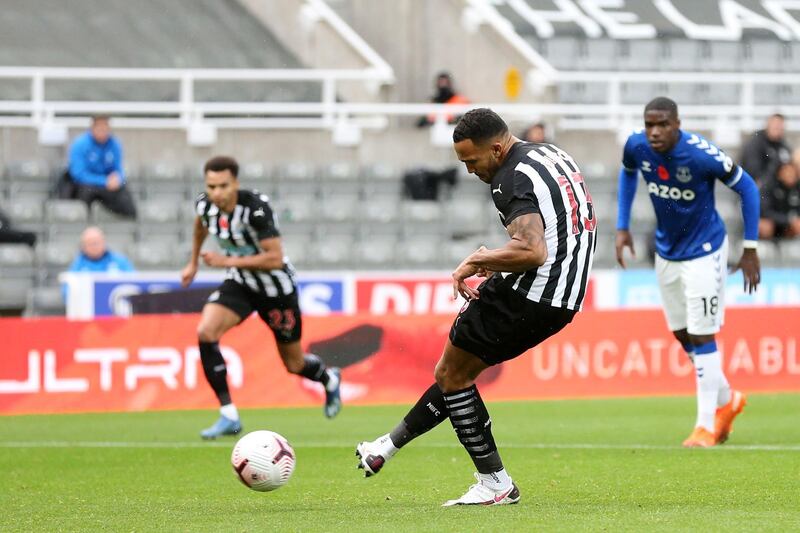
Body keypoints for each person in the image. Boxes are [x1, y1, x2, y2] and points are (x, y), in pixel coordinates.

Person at [355, 108, 596, 506]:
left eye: (472, 160)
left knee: (453, 375)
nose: (469, 170)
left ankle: (494, 482)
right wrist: (500, 262)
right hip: (564, 296)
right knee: (456, 373)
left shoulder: (509, 178)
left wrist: (478, 259)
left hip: (530, 294)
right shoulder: (551, 154)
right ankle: (386, 446)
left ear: (497, 148)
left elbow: (533, 251)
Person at [616, 97, 761, 448]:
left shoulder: (700, 154)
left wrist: (751, 247)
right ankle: (729, 399)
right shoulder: (636, 145)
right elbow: (627, 174)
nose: (654, 131)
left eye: (662, 124)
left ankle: (704, 426)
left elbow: (748, 188)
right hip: (666, 251)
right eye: (649, 124)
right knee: (682, 333)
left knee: (701, 334)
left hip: (706, 251)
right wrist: (622, 226)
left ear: (677, 124)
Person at [181, 156, 342, 439]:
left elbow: (274, 258)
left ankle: (328, 378)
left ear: (236, 183)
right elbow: (200, 226)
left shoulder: (255, 209)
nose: (216, 193)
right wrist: (193, 262)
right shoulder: (205, 204)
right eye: (211, 186)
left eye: (223, 186)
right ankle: (228, 414)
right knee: (206, 331)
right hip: (241, 284)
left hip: (276, 290)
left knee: (294, 365)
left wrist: (225, 260)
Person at [67, 115, 137, 218]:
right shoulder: (80, 144)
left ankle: (126, 227)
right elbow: (78, 174)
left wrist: (118, 178)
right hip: (87, 185)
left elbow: (118, 169)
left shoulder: (114, 144)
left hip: (108, 186)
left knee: (126, 197)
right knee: (85, 192)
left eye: (105, 129)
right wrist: (104, 181)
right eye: (100, 128)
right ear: (93, 128)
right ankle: (88, 227)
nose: (103, 132)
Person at [739, 113, 792, 186]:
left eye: (780, 127)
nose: (778, 129)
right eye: (775, 126)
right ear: (768, 125)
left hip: (778, 190)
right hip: (755, 187)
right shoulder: (755, 143)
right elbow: (753, 172)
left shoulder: (783, 146)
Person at [759, 162, 800, 239]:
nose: (789, 175)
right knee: (765, 226)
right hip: (775, 223)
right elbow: (765, 211)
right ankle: (766, 248)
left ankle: (792, 248)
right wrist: (787, 220)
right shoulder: (769, 187)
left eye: (791, 172)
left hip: (791, 225)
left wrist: (794, 220)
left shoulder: (797, 188)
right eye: (786, 172)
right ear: (779, 174)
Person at [68, 226, 134, 274]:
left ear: (103, 242)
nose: (94, 247)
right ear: (83, 247)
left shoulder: (120, 261)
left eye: (96, 243)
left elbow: (133, 281)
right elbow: (67, 289)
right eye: (90, 243)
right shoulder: (78, 265)